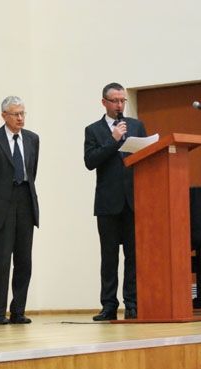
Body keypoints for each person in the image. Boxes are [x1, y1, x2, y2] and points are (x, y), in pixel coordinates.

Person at [84, 82, 147, 321]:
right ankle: (109, 305)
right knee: (109, 257)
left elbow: (147, 155)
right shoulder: (93, 130)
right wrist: (113, 140)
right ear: (104, 102)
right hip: (108, 203)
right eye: (115, 101)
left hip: (133, 201)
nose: (120, 105)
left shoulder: (137, 126)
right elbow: (90, 161)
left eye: (122, 101)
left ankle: (133, 303)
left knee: (133, 256)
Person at [0, 96, 40, 325]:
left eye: (23, 113)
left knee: (24, 261)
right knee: (1, 260)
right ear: (4, 116)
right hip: (2, 204)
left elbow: (32, 171)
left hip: (26, 201)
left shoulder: (32, 139)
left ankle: (18, 311)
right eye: (15, 114)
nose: (20, 118)